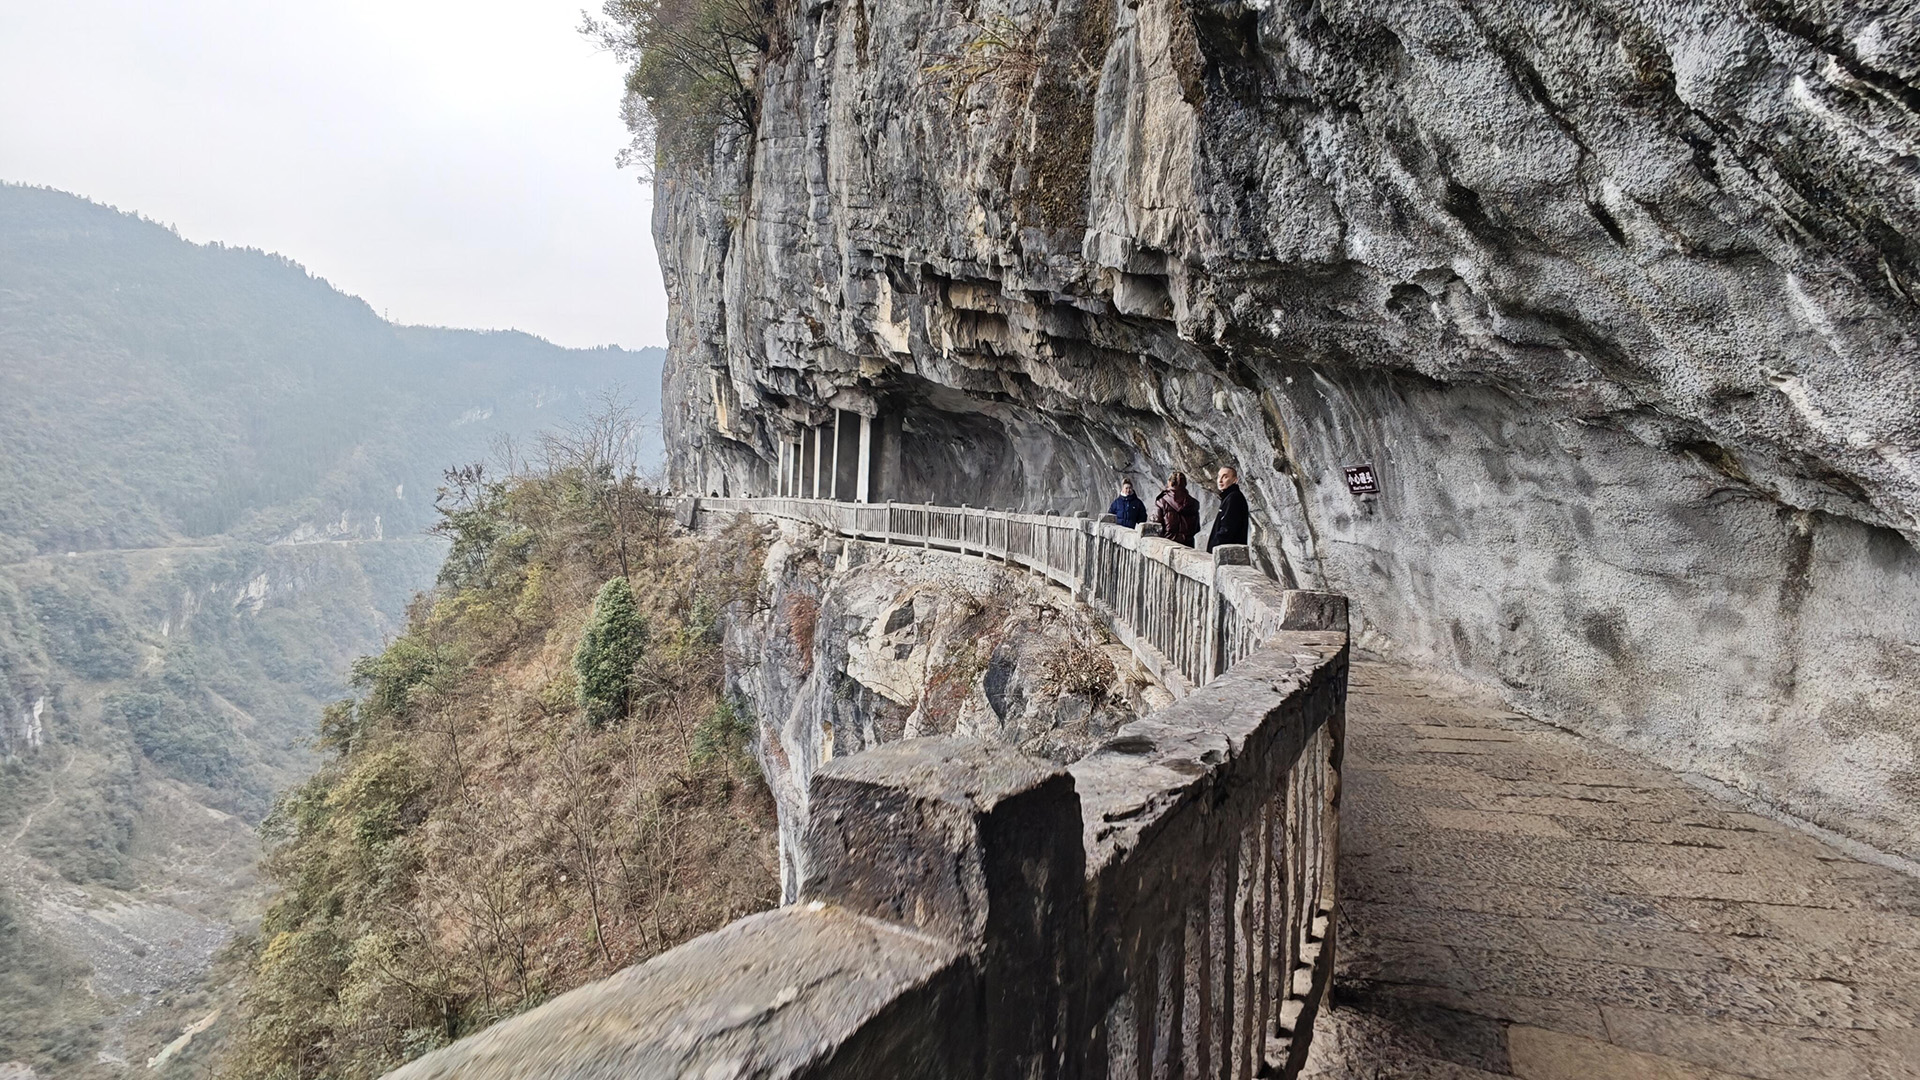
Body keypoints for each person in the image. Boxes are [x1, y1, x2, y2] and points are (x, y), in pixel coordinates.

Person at [1206, 466, 1249, 552]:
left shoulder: (1234, 498)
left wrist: (1213, 548)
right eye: (1219, 476)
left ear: (1235, 480)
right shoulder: (1229, 497)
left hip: (1228, 552)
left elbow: (1227, 529)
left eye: (1225, 477)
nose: (1220, 480)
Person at [1153, 471, 1200, 547]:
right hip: (1188, 546)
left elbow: (1155, 526)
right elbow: (1197, 528)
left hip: (1167, 546)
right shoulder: (1193, 503)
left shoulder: (1161, 502)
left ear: (1170, 483)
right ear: (1185, 484)